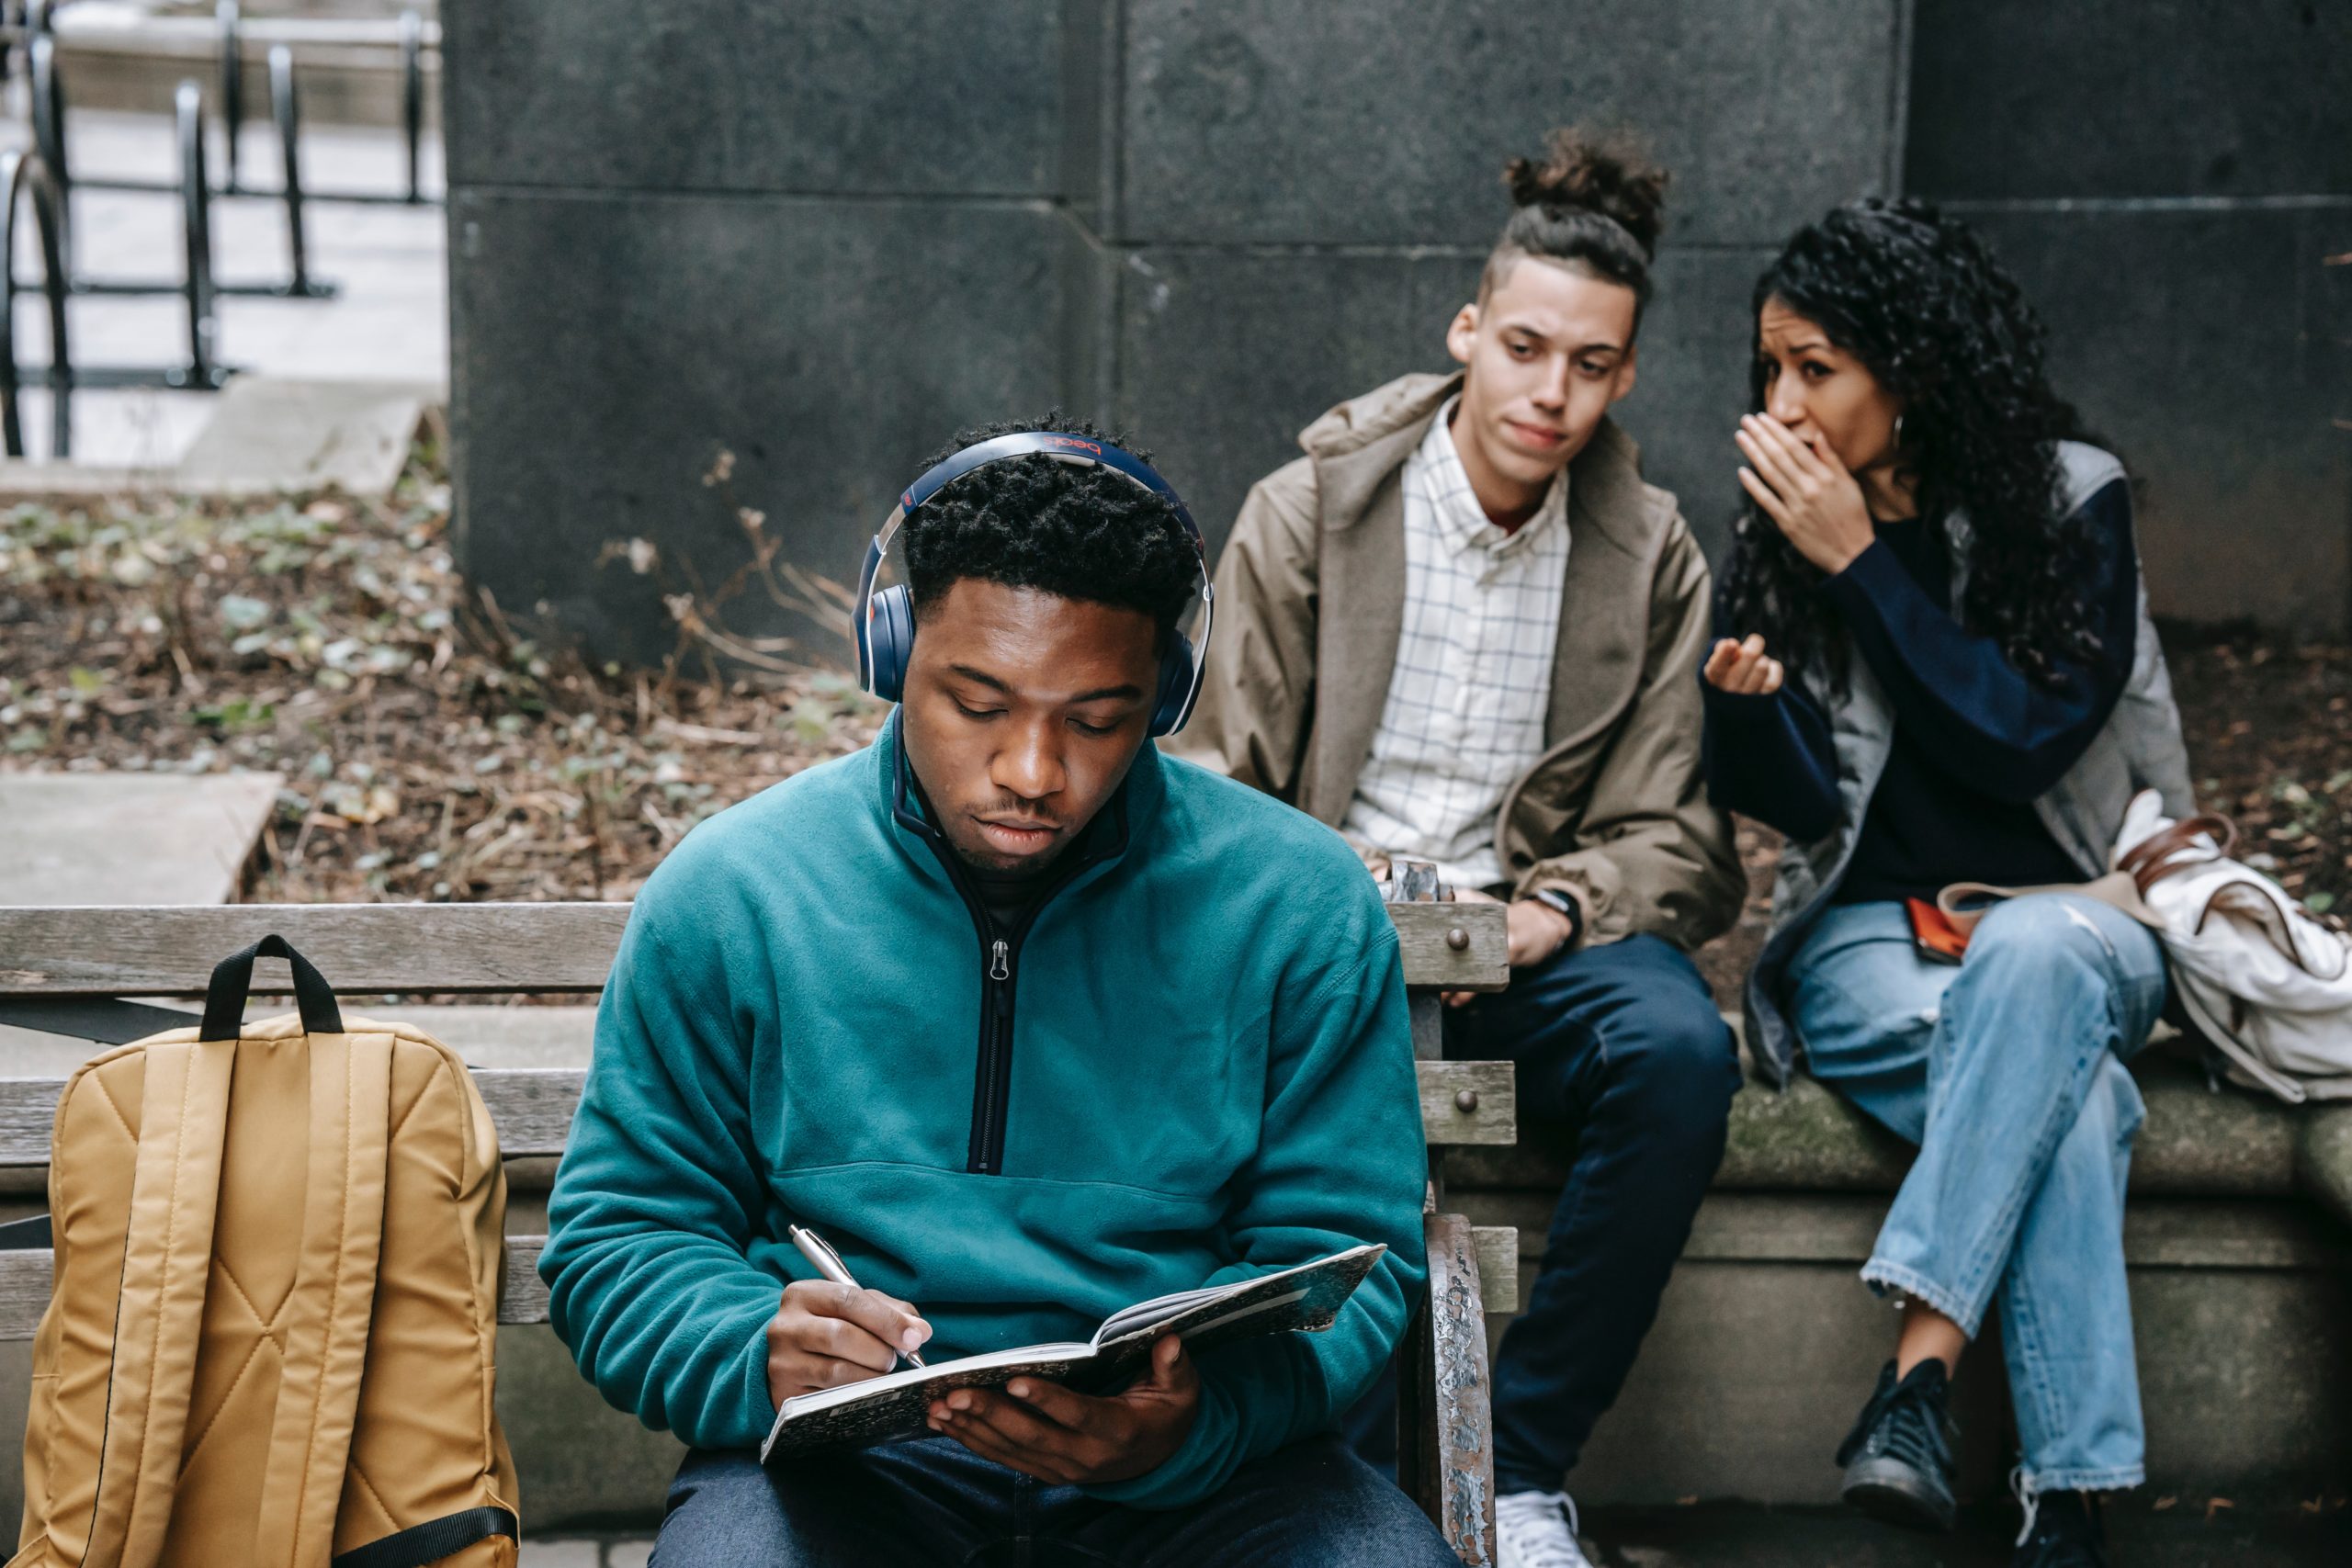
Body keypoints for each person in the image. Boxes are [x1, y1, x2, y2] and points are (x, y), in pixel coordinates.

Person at [539, 420, 1458, 1567]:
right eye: (977, 705)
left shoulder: (1297, 906)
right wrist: (748, 1349)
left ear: (1164, 695)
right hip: (852, 1470)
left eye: (1095, 719)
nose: (1033, 772)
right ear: (889, 653)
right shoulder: (735, 893)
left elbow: (1344, 1253)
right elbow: (621, 1237)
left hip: (1198, 1475)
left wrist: (1192, 1422)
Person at [1169, 130, 1747, 1568]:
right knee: (1324, 1135)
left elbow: (1675, 831)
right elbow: (1210, 785)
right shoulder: (1310, 512)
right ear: (1468, 330)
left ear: (1626, 374)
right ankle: (1333, 1493)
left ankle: (1530, 1469)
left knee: (1677, 1051)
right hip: (1325, 945)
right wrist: (1332, 903)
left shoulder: (1651, 550)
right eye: (1529, 348)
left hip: (1522, 945)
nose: (1554, 395)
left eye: (1594, 365)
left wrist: (1549, 910)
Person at [1702, 198, 2194, 1568]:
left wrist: (1862, 559)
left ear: (1905, 371)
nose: (1783, 403)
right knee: (2073, 1093)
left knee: (2033, 961)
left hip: (2103, 911)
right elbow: (1808, 806)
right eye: (1769, 370)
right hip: (1875, 943)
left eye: (1816, 368)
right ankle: (2070, 1502)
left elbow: (2020, 732)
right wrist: (1744, 716)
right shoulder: (1785, 521)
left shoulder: (2071, 498)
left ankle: (1917, 1376)